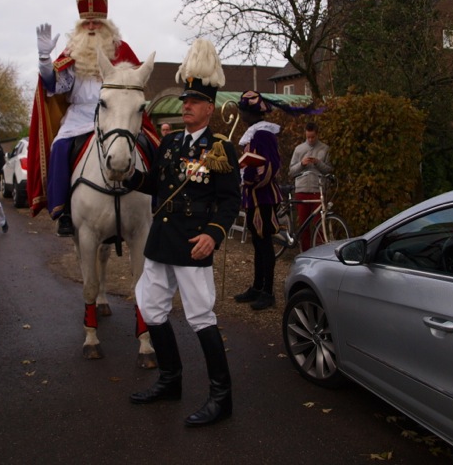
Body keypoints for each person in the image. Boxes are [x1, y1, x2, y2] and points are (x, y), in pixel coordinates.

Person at [126, 39, 240, 427]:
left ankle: (221, 398)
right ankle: (170, 380)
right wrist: (128, 174)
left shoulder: (220, 148)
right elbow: (156, 186)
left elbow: (229, 202)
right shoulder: (171, 143)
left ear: (209, 107)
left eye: (193, 101)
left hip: (193, 242)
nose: (186, 105)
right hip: (161, 240)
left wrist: (214, 235)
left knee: (200, 317)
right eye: (184, 100)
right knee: (151, 308)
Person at [28, 0, 158, 237]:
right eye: (86, 22)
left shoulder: (122, 50)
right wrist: (44, 60)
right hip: (79, 116)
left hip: (117, 114)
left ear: (105, 24)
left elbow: (135, 84)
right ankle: (64, 212)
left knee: (151, 145)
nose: (91, 26)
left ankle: (156, 203)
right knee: (61, 147)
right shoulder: (72, 52)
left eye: (96, 21)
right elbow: (55, 86)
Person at [233, 91, 283, 311]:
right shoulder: (254, 134)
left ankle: (268, 291)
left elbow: (272, 164)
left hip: (263, 195)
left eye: (243, 110)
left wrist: (253, 176)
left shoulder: (263, 134)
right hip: (252, 196)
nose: (241, 114)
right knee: (257, 243)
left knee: (265, 244)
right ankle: (257, 286)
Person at [288, 122, 333, 251]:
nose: (310, 140)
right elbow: (291, 171)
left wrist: (318, 163)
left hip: (317, 190)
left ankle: (320, 253)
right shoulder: (299, 149)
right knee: (304, 224)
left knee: (320, 224)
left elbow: (329, 170)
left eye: (313, 137)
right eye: (308, 137)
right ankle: (305, 252)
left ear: (317, 134)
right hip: (302, 190)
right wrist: (302, 164)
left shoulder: (325, 149)